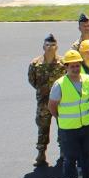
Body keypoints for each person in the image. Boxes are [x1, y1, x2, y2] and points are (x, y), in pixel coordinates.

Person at [47, 50, 89, 178]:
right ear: (66, 67)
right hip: (68, 129)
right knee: (70, 159)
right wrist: (61, 118)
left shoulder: (87, 80)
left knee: (87, 155)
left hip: (87, 125)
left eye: (77, 65)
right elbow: (52, 106)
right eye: (72, 66)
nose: (75, 68)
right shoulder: (59, 85)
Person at [27, 33, 66, 166]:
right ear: (43, 46)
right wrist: (43, 91)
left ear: (57, 47)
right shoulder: (35, 64)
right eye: (48, 45)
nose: (50, 47)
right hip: (43, 102)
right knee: (43, 128)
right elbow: (32, 81)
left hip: (60, 102)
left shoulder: (62, 63)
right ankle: (41, 153)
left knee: (62, 126)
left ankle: (63, 151)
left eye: (53, 45)